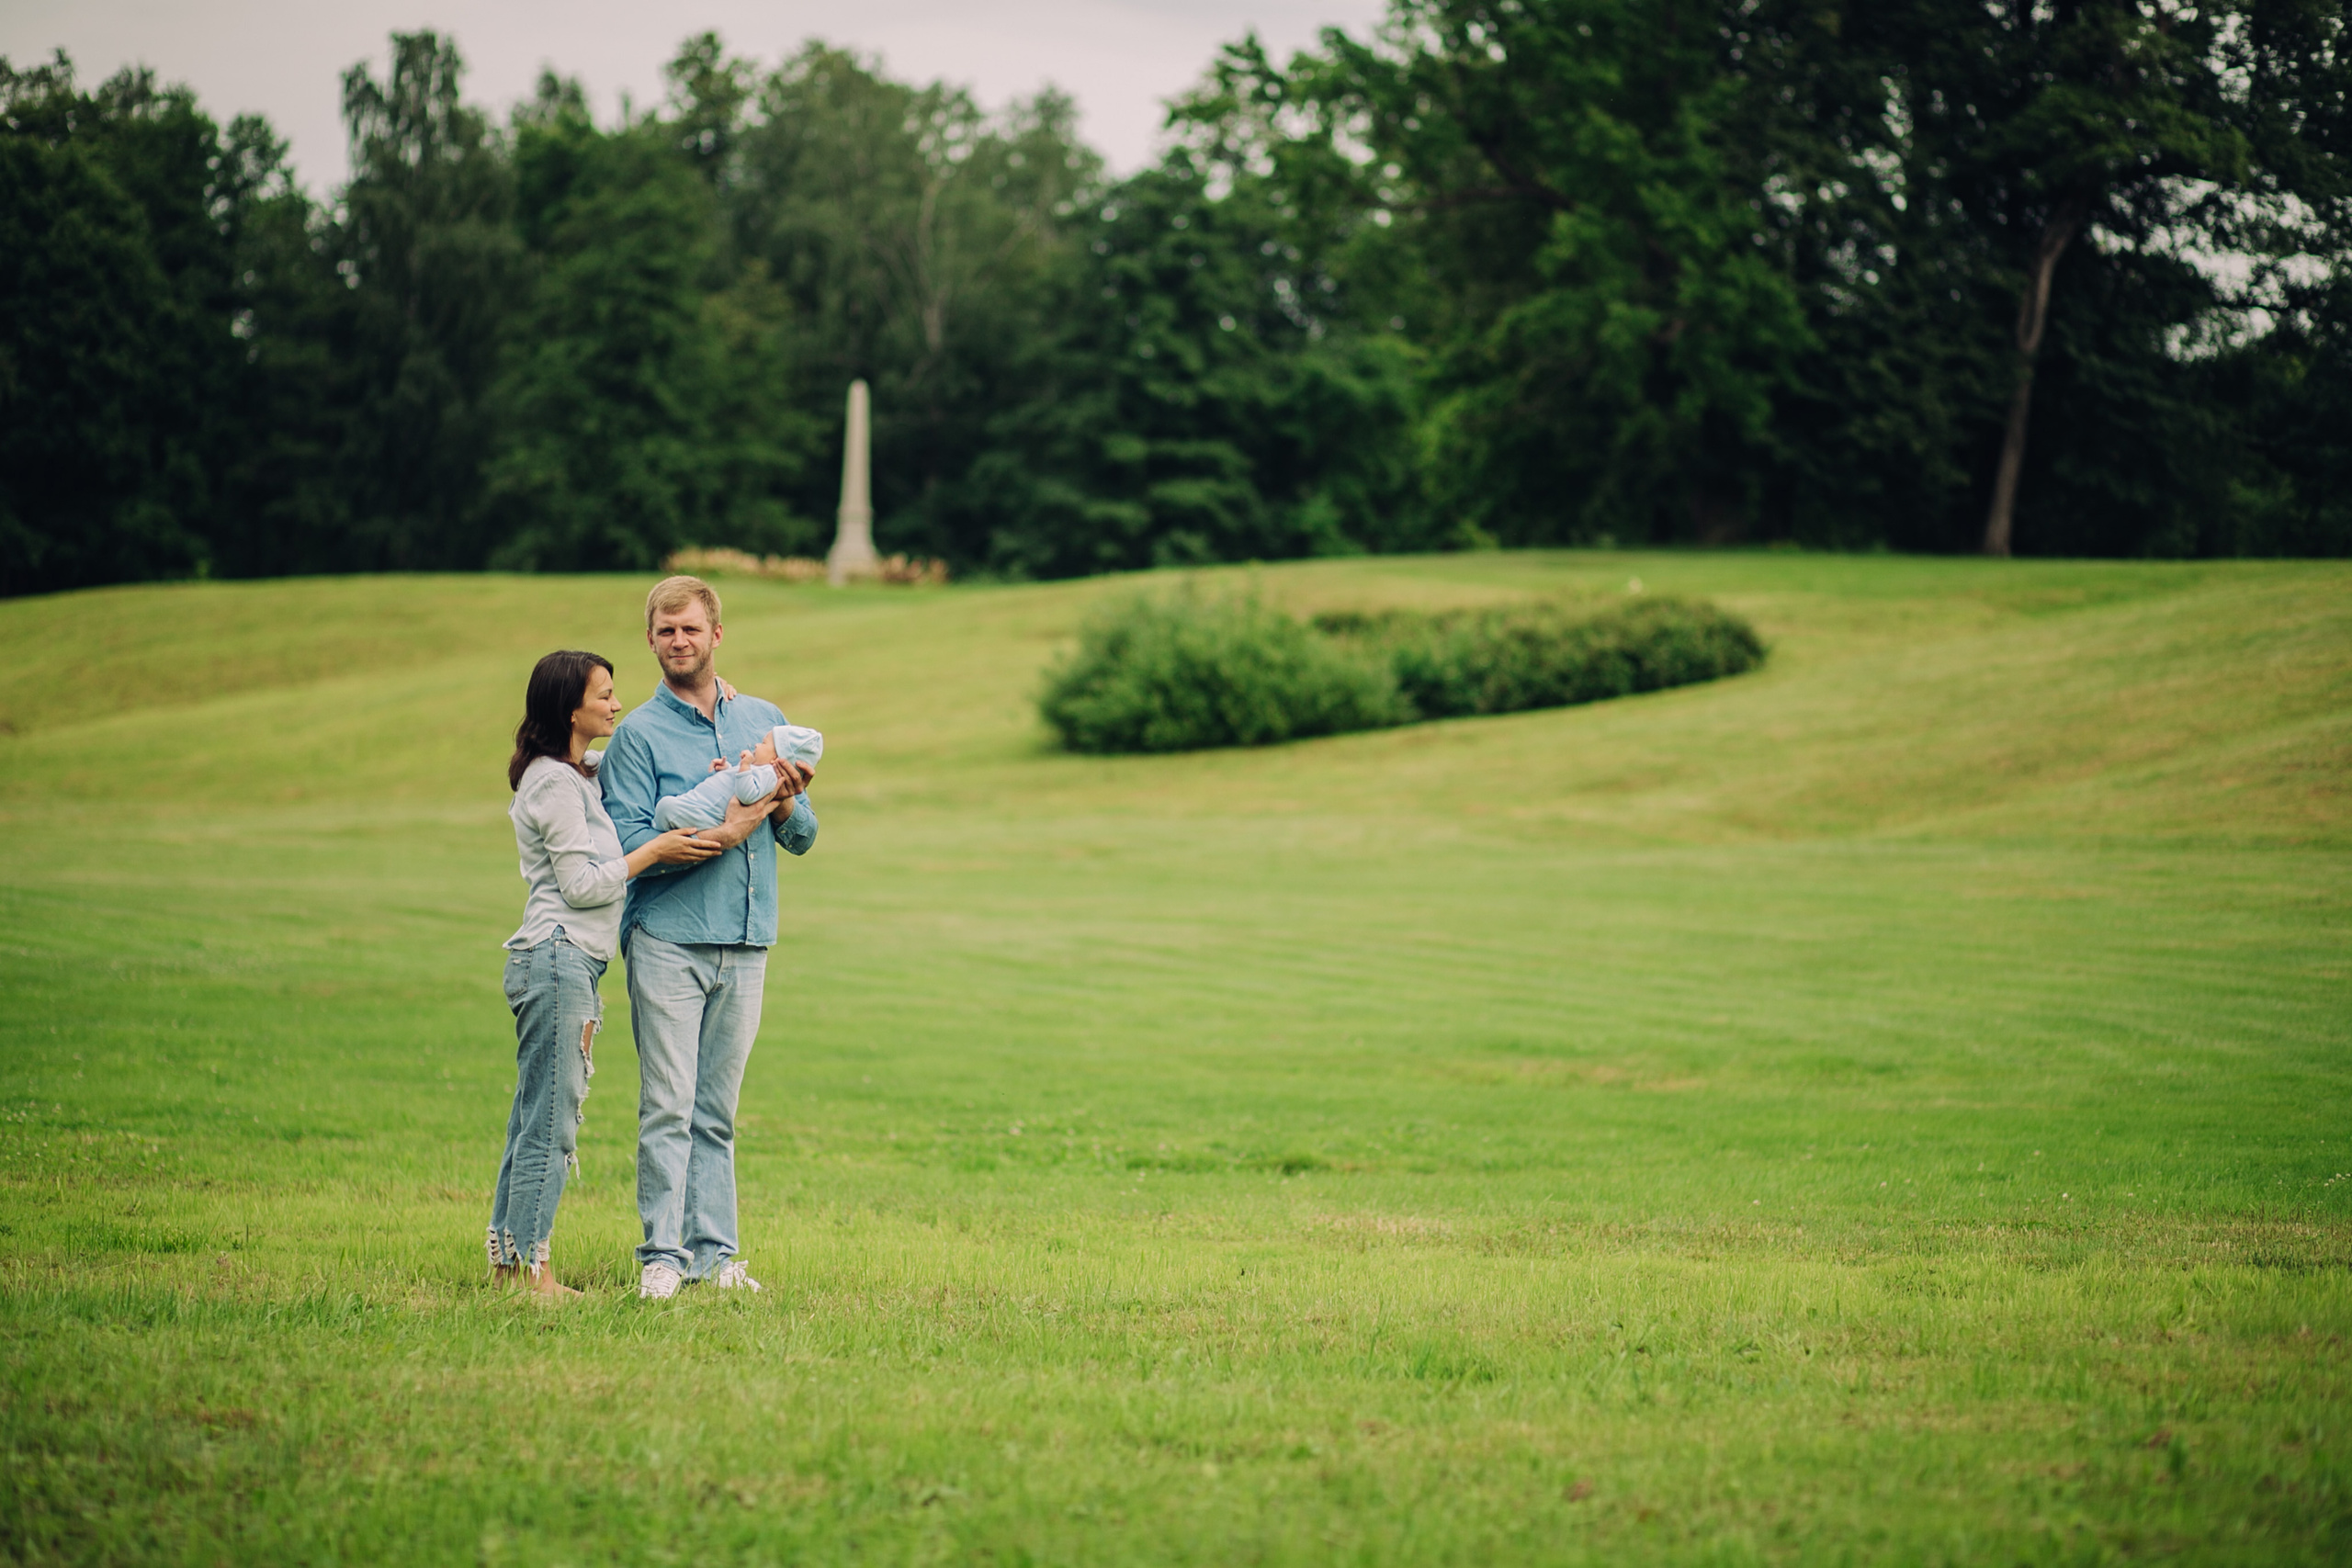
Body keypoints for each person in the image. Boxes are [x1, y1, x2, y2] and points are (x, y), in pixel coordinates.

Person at [490, 649, 746, 1297]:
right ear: (569, 708)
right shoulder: (552, 782)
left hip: (566, 959)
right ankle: (530, 1273)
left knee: (534, 1116)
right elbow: (581, 885)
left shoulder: (578, 773)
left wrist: (716, 710)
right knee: (552, 1122)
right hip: (558, 957)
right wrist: (653, 850)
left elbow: (636, 767)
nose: (616, 703)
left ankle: (509, 1263)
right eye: (604, 694)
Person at [598, 576, 819, 1300]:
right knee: (668, 1104)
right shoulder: (636, 736)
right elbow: (629, 842)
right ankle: (660, 1256)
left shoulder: (765, 718)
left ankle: (717, 1257)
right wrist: (723, 830)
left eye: (690, 629)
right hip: (667, 938)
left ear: (716, 634)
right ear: (652, 640)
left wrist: (781, 798)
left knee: (716, 1112)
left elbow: (806, 835)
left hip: (748, 940)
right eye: (666, 632)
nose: (678, 642)